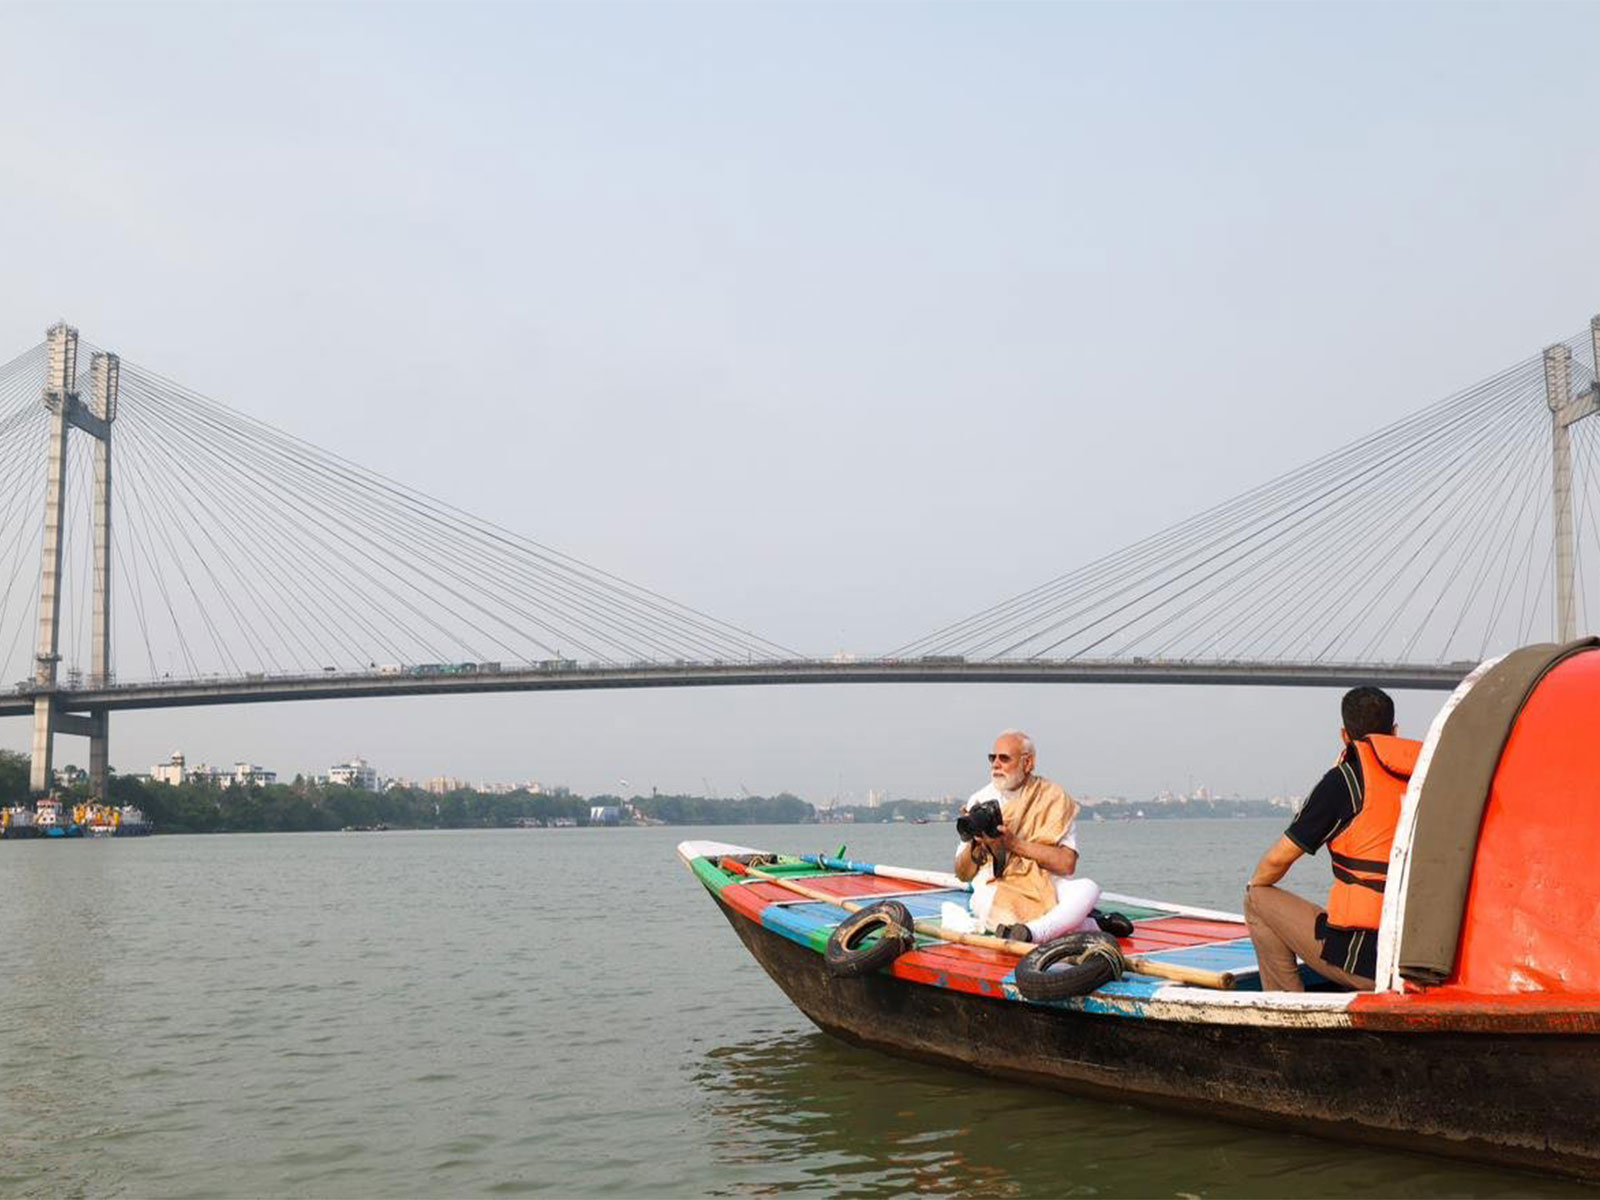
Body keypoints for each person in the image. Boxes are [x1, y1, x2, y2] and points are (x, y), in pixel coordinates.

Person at [1244, 686, 1422, 992]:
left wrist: (1256, 883)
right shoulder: (1426, 779)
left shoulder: (1345, 783)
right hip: (1422, 960)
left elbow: (1277, 860)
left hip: (1367, 963)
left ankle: (1288, 1012)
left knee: (1257, 899)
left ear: (1344, 736)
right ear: (1394, 732)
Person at [951, 730, 1104, 944]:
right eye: (992, 758)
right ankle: (1092, 925)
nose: (996, 764)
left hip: (1043, 879)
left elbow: (1067, 865)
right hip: (998, 883)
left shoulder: (1052, 797)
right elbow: (963, 873)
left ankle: (1034, 932)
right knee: (1000, 911)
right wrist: (974, 843)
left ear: (1028, 763)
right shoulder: (979, 800)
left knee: (1087, 888)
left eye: (1004, 758)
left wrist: (1014, 844)